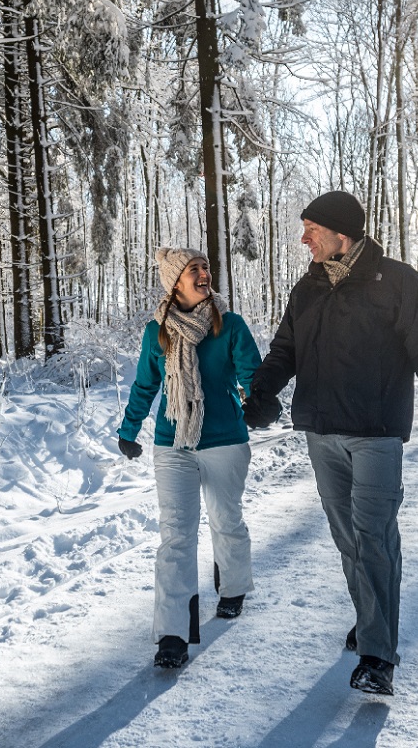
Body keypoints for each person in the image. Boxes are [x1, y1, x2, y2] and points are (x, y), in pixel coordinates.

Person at [241, 190, 418, 696]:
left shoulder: (398, 283)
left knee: (375, 539)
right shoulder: (307, 290)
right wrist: (259, 391)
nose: (304, 239)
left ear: (343, 232)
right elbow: (284, 352)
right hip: (322, 434)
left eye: (312, 230)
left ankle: (377, 657)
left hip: (376, 434)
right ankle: (371, 621)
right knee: (349, 541)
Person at [117, 247, 263, 670]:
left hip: (224, 441)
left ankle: (232, 587)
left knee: (225, 519)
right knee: (176, 536)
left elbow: (251, 373)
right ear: (174, 281)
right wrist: (129, 431)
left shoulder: (229, 325)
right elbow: (145, 386)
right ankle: (172, 635)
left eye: (206, 267)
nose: (204, 274)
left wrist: (259, 400)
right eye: (193, 269)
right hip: (173, 442)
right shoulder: (157, 332)